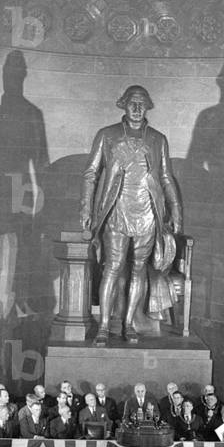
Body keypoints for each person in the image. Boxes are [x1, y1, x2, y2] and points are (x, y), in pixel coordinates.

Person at [80, 85, 182, 345]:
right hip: (116, 209)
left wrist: (176, 210)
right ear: (123, 105)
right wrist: (86, 208)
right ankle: (103, 325)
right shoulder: (108, 135)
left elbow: (167, 177)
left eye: (142, 104)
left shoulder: (158, 139)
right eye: (132, 103)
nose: (137, 109)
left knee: (138, 269)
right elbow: (91, 174)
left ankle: (128, 324)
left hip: (147, 212)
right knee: (112, 268)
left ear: (148, 106)